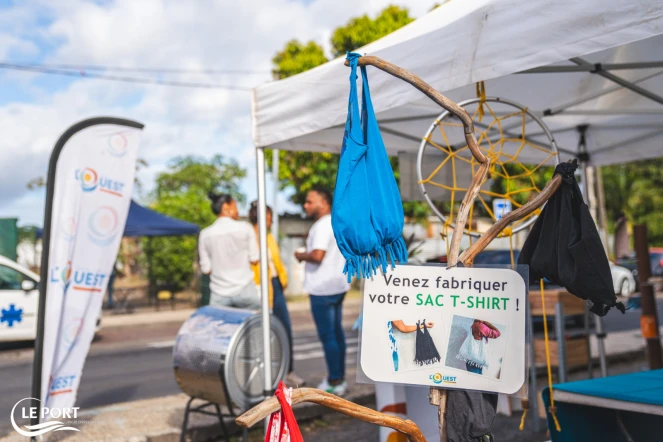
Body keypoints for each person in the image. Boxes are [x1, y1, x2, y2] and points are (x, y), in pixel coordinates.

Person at [295, 188, 350, 395]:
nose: (305, 205)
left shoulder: (321, 226)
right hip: (338, 285)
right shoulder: (336, 223)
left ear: (323, 203)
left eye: (310, 202)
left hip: (322, 288)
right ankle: (339, 377)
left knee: (329, 337)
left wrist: (300, 255)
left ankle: (335, 381)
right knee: (337, 334)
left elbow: (318, 255)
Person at [248, 201, 305, 387]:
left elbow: (277, 262)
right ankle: (265, 375)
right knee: (262, 331)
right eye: (269, 218)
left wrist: (283, 280)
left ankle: (289, 371)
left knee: (284, 328)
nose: (271, 222)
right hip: (259, 287)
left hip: (276, 285)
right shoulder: (249, 237)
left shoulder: (270, 237)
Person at [199, 192, 260, 309]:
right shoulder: (246, 228)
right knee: (256, 325)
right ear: (226, 207)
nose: (238, 211)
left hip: (219, 294)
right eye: (235, 206)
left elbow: (206, 269)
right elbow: (254, 259)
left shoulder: (205, 234)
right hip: (245, 291)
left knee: (219, 327)